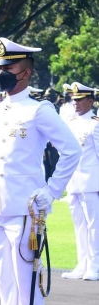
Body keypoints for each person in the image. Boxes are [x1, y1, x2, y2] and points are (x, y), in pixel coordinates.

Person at [0, 37, 81, 305]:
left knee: (27, 289)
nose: (3, 73)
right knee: (5, 286)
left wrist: (52, 190)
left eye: (9, 68)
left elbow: (72, 149)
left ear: (25, 73)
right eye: (1, 67)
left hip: (25, 211)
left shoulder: (39, 110)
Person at [62, 82, 99, 281]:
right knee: (79, 226)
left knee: (94, 227)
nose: (74, 103)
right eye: (73, 99)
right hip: (74, 183)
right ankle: (82, 264)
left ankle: (94, 266)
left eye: (79, 99)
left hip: (92, 183)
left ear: (90, 101)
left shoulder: (96, 123)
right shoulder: (71, 123)